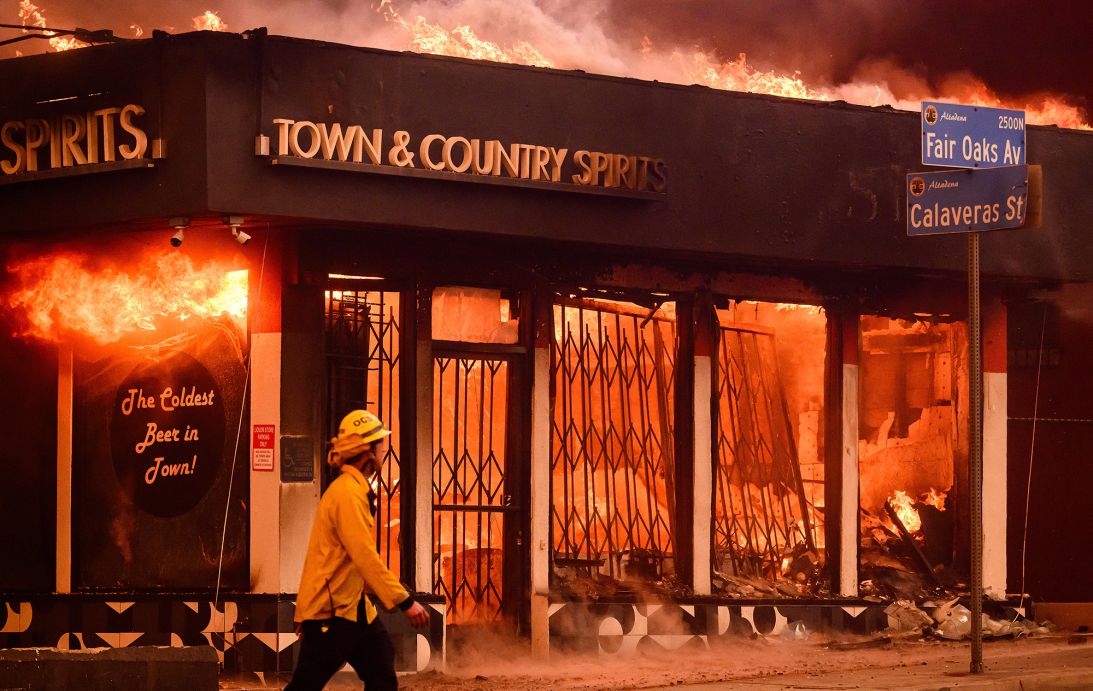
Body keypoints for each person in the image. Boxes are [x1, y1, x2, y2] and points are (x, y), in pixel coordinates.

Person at [286, 410, 430, 691]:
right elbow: (364, 555)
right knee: (305, 685)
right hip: (332, 611)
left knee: (381, 671)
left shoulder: (354, 488)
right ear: (368, 451)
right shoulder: (348, 494)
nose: (385, 449)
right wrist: (405, 601)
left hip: (354, 609)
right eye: (380, 444)